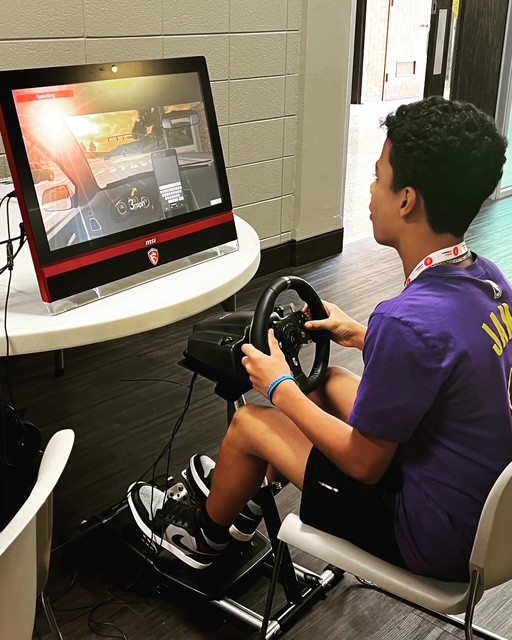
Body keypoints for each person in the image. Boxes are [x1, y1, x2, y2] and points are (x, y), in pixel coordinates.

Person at [128, 96, 512, 579]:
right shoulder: (488, 279)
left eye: (377, 177)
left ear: (407, 200)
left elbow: (365, 464)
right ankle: (241, 488)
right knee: (328, 380)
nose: (370, 190)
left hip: (428, 535)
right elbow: (450, 363)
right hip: (482, 512)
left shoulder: (406, 321)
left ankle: (200, 537)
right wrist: (360, 334)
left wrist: (278, 387)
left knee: (250, 421)